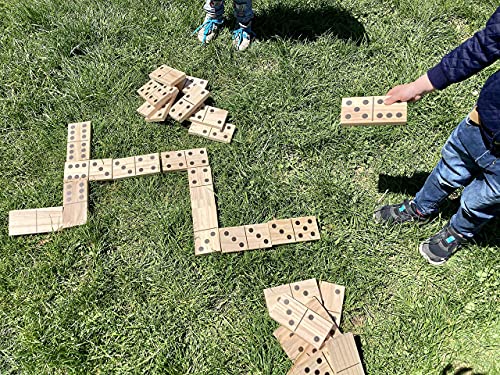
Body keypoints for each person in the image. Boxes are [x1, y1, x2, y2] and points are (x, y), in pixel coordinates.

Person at [374, 7, 500, 265]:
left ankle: (458, 231)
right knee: (447, 169)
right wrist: (417, 87)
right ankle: (420, 207)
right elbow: (484, 45)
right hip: (479, 124)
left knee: (481, 201)